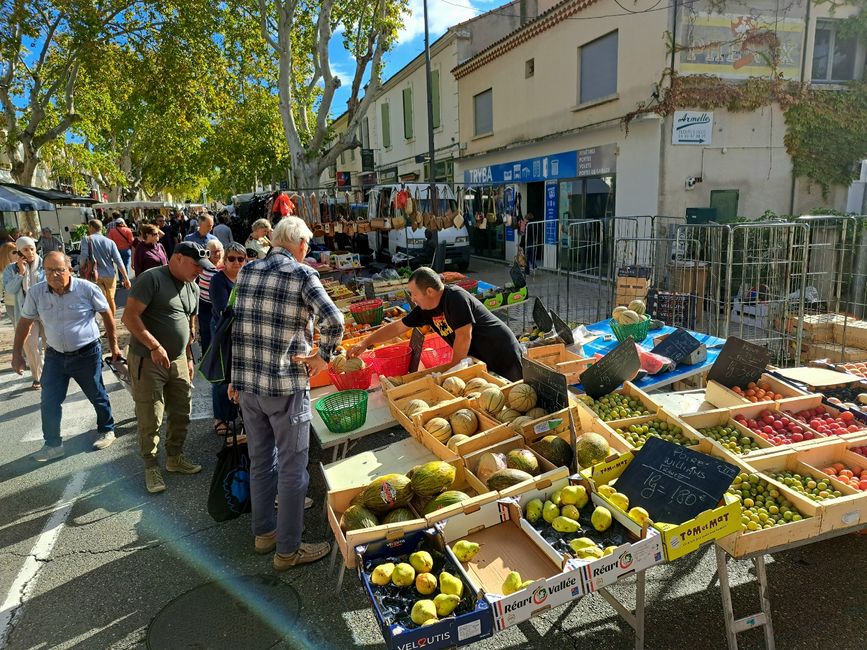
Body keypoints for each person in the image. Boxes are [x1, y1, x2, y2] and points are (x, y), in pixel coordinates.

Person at [228, 216, 343, 570]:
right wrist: (323, 358)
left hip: (249, 386)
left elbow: (239, 324)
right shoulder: (302, 274)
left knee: (262, 461)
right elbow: (334, 321)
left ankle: (264, 534)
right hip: (284, 386)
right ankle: (288, 550)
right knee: (293, 468)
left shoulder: (247, 271)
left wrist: (235, 377)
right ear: (301, 246)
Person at [122, 241, 213, 494]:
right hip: (148, 360)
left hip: (179, 360)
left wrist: (189, 357)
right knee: (150, 415)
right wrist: (154, 346)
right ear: (178, 258)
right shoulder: (150, 279)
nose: (199, 271)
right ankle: (151, 466)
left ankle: (175, 457)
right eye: (196, 265)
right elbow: (129, 317)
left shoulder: (191, 286)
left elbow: (189, 321)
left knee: (183, 410)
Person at [12, 252, 123, 461]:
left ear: (69, 269)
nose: (54, 275)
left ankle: (107, 429)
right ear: (43, 271)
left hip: (87, 353)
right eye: (49, 270)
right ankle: (53, 444)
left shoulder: (87, 289)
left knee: (96, 393)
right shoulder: (36, 293)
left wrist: (114, 345)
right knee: (49, 401)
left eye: (59, 270)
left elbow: (107, 314)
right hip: (55, 356)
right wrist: (17, 353)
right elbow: (24, 323)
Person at [349, 266, 523, 381]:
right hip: (482, 360)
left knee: (522, 399)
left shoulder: (455, 297)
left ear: (430, 291)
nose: (413, 299)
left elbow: (464, 336)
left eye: (414, 294)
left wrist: (451, 370)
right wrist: (366, 342)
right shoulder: (426, 309)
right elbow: (397, 327)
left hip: (502, 353)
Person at [208, 241, 245, 436]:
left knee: (238, 372)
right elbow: (223, 308)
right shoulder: (218, 280)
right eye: (232, 258)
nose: (236, 262)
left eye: (240, 259)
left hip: (241, 331)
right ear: (224, 260)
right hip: (223, 331)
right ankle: (221, 418)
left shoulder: (246, 277)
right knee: (222, 375)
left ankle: (240, 412)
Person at [3, 238, 45, 388]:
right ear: (19, 252)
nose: (30, 252)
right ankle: (39, 377)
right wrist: (21, 273)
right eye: (26, 250)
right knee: (31, 346)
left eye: (32, 248)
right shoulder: (11, 269)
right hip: (25, 313)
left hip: (46, 311)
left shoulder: (44, 264)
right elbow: (10, 290)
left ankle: (55, 372)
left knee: (51, 345)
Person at [79, 219, 131, 315]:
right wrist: (126, 278)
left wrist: (81, 269)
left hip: (94, 276)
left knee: (101, 300)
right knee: (111, 299)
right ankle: (112, 324)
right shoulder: (110, 242)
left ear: (91, 227)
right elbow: (119, 261)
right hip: (110, 275)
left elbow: (83, 257)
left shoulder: (86, 239)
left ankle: (107, 323)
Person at [196, 239, 223, 358]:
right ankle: (207, 358)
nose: (216, 254)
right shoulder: (202, 265)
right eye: (213, 252)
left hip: (219, 305)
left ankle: (217, 358)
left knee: (218, 333)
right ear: (208, 252)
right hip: (205, 305)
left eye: (218, 251)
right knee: (205, 332)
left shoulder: (226, 265)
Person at [0, 241, 17, 324]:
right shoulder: (1, 274)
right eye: (14, 252)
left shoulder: (21, 268)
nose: (18, 254)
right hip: (12, 304)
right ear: (6, 255)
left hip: (25, 303)